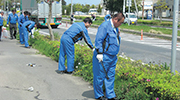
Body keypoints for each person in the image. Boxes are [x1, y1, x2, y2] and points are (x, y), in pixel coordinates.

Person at [92, 13, 125, 100]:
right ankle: (99, 95)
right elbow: (99, 39)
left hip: (112, 56)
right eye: (120, 22)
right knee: (99, 76)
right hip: (104, 55)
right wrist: (99, 53)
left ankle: (110, 96)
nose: (121, 24)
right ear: (115, 19)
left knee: (110, 76)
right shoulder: (105, 26)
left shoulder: (115, 28)